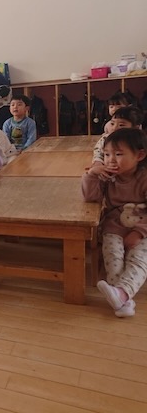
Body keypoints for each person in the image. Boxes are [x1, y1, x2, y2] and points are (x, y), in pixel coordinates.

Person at [82, 128, 147, 318]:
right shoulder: (108, 177)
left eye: (118, 154)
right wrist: (92, 174)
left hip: (143, 227)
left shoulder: (144, 178)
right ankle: (122, 295)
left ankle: (122, 293)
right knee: (112, 258)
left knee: (139, 259)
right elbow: (91, 197)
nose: (111, 160)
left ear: (139, 155)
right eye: (107, 154)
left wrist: (139, 233)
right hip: (114, 225)